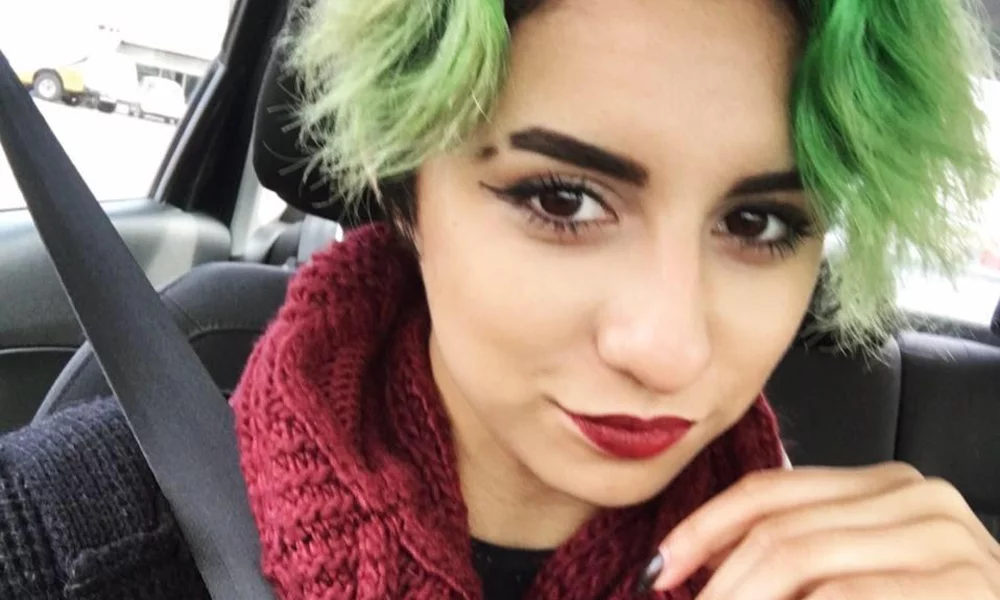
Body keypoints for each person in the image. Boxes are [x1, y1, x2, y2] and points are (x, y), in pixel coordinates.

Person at [2, 0, 999, 598]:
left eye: (759, 223)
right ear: (403, 184)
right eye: (562, 201)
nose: (668, 347)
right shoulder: (66, 536)